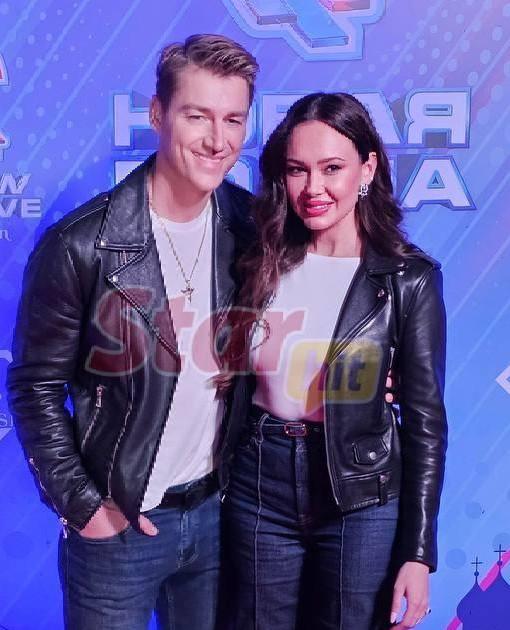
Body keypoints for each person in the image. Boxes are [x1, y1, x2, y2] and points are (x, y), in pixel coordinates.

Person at [7, 34, 258, 630]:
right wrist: (84, 507)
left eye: (233, 120)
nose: (217, 139)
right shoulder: (81, 245)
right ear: (157, 114)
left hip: (220, 517)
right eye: (197, 116)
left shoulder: (251, 226)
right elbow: (34, 386)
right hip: (118, 531)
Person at [219, 92, 448, 629]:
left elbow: (426, 424)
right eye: (297, 169)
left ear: (367, 168)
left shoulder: (409, 279)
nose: (313, 188)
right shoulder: (258, 259)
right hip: (259, 480)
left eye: (332, 168)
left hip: (361, 490)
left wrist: (418, 553)